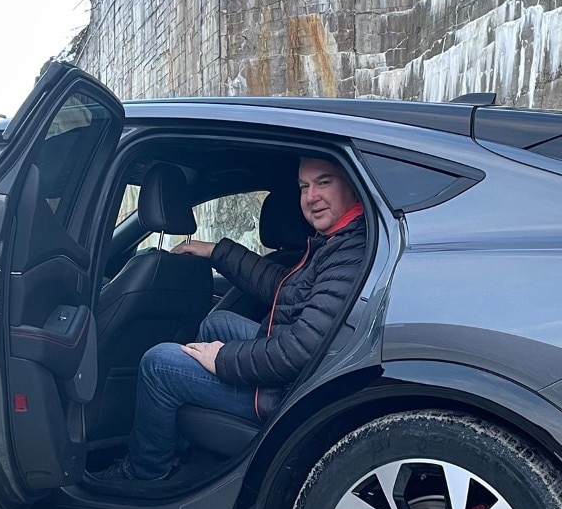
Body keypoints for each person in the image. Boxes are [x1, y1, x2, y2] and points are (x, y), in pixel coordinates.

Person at [97, 156, 368, 481]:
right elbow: (283, 287)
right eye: (304, 187)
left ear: (351, 186)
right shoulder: (336, 242)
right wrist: (215, 252)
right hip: (291, 376)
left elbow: (299, 351)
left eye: (324, 182)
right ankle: (182, 446)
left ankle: (145, 472)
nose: (310, 197)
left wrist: (222, 358)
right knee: (218, 322)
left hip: (284, 394)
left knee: (158, 365)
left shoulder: (349, 253)